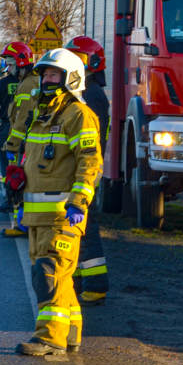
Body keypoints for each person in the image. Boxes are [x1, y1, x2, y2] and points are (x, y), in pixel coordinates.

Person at [7, 48, 102, 356]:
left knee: (49, 273)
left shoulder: (78, 115)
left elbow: (90, 162)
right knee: (57, 277)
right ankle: (70, 334)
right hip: (36, 216)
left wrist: (79, 202)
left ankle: (49, 338)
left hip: (63, 214)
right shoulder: (41, 114)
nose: (47, 80)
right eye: (45, 74)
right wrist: (18, 175)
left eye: (53, 75)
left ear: (70, 79)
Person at [65, 36, 110, 306]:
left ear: (92, 63)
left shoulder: (92, 96)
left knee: (87, 227)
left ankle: (96, 284)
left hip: (87, 171)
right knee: (80, 228)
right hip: (85, 169)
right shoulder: (88, 92)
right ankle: (83, 280)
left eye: (77, 60)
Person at [0, 41, 33, 214]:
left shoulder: (16, 84)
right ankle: (18, 204)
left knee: (9, 169)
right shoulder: (31, 82)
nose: (7, 67)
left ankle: (11, 201)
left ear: (19, 62)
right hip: (24, 133)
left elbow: (19, 117)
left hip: (12, 132)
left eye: (9, 62)